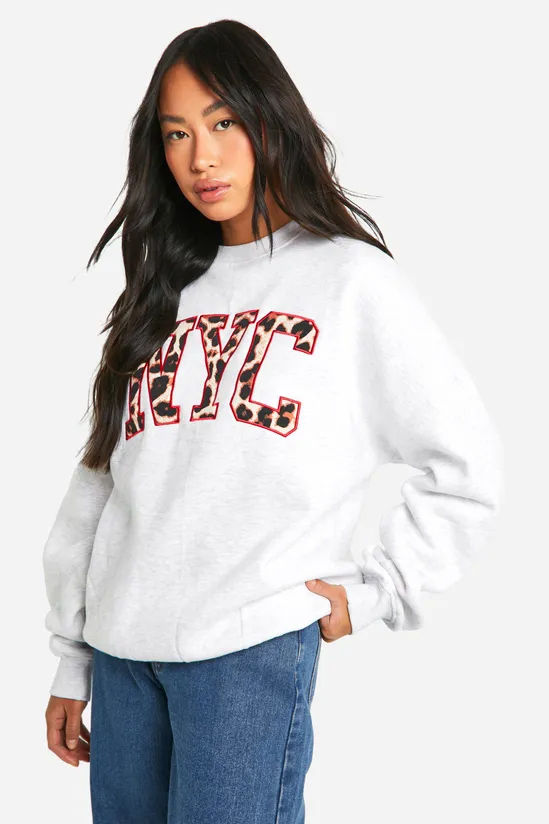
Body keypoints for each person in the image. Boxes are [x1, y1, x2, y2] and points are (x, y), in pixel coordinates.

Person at [42, 18, 504, 824]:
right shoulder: (157, 297)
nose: (201, 157)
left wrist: (379, 591)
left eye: (222, 122)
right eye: (176, 133)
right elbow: (100, 486)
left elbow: (465, 464)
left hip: (244, 651)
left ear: (269, 120)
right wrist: (72, 658)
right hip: (121, 659)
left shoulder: (348, 281)